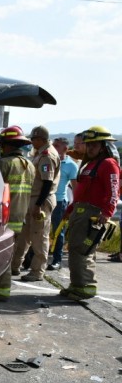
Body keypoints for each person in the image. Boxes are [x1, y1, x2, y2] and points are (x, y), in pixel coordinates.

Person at [61, 126, 120, 301]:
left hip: (92, 216)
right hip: (80, 213)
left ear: (103, 146)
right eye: (89, 144)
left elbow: (114, 191)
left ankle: (86, 286)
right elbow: (81, 191)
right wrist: (70, 210)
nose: (91, 148)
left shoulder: (108, 164)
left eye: (95, 144)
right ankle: (77, 284)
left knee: (83, 250)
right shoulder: (90, 164)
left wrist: (107, 213)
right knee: (75, 250)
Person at [0, 126, 36, 301]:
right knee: (10, 251)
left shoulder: (4, 163)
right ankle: (1, 286)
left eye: (2, 145)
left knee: (1, 252)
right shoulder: (29, 165)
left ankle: (0, 288)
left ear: (8, 145)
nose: (1, 148)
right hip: (20, 216)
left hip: (4, 217)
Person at [11, 125, 60, 281]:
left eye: (34, 139)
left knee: (39, 237)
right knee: (23, 236)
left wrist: (38, 205)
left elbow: (47, 181)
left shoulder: (47, 155)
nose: (32, 142)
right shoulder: (39, 153)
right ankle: (14, 266)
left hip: (41, 199)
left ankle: (37, 271)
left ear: (41, 139)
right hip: (33, 198)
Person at [48, 137, 79, 270]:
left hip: (60, 202)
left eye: (57, 146)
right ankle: (32, 258)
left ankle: (57, 260)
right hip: (46, 200)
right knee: (40, 230)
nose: (53, 147)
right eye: (53, 145)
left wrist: (74, 205)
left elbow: (75, 187)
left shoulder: (71, 165)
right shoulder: (49, 160)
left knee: (58, 231)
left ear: (65, 149)